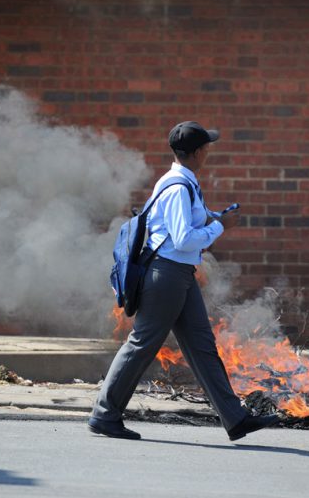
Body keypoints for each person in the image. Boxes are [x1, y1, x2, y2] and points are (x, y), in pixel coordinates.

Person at [88, 121, 280, 441]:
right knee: (142, 344)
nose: (209, 151)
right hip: (167, 274)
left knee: (202, 346)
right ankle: (104, 415)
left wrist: (217, 217)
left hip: (179, 275)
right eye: (206, 147)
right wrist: (222, 228)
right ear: (196, 152)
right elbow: (183, 239)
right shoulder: (178, 187)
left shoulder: (184, 182)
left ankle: (235, 418)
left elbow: (191, 222)